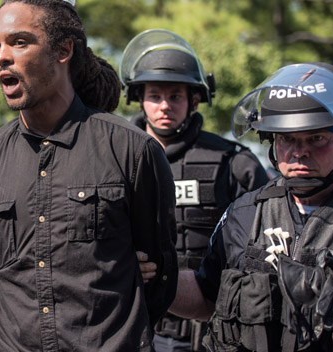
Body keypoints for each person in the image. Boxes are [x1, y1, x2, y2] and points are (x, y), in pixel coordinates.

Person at [0, 0, 178, 350]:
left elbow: (159, 273)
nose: (1, 56)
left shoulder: (133, 150)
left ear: (63, 50)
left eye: (18, 42)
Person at [161, 62, 333, 351]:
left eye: (316, 137)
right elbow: (207, 295)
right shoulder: (245, 213)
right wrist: (155, 274)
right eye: (286, 139)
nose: (299, 152)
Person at [120, 29, 269, 351]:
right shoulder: (113, 158)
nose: (164, 106)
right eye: (155, 95)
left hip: (214, 326)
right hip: (136, 323)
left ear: (194, 99)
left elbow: (268, 238)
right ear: (138, 98)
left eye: (175, 96)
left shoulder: (233, 161)